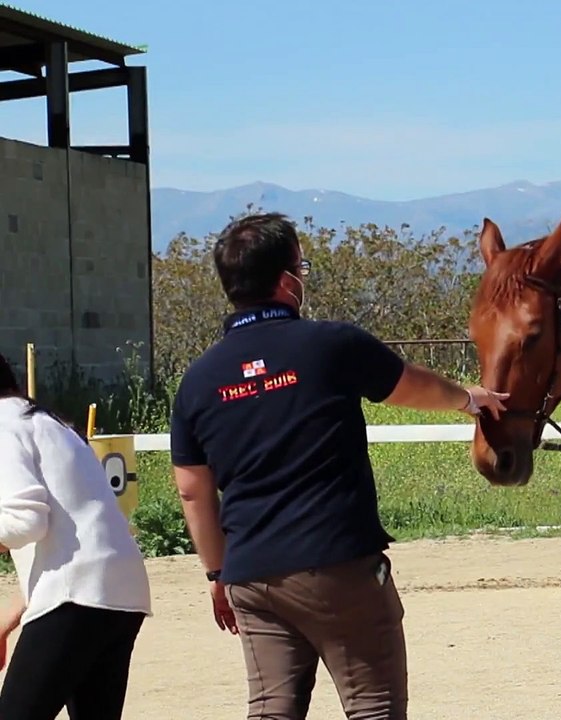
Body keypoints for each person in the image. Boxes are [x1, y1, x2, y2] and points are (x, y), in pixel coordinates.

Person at [168, 212, 508, 720]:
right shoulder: (330, 344)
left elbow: (193, 490)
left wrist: (218, 572)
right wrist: (468, 399)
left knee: (270, 710)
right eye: (300, 267)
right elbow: (411, 387)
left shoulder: (197, 381)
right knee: (373, 707)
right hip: (336, 563)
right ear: (287, 281)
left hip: (251, 577)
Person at [0, 352, 153, 719]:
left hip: (75, 598)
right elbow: (76, 530)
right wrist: (9, 618)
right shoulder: (51, 424)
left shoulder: (2, 425)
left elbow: (26, 519)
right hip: (120, 593)